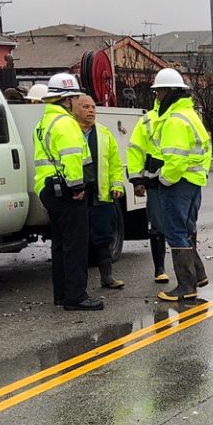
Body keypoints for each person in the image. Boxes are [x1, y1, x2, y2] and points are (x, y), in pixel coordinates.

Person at [128, 68, 212, 303]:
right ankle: (198, 276)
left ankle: (186, 286)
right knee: (185, 230)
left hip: (177, 183)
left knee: (174, 232)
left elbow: (175, 159)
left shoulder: (174, 121)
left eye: (159, 91)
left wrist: (161, 179)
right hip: (193, 181)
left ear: (167, 92)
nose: (157, 96)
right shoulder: (189, 114)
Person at [34, 72, 104, 311]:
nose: (77, 101)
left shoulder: (45, 122)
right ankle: (76, 296)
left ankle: (62, 294)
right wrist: (78, 188)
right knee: (76, 244)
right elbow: (72, 158)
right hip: (67, 191)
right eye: (75, 97)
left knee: (61, 244)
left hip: (48, 189)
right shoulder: (66, 123)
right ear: (67, 99)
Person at [71, 95, 127, 289]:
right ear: (76, 109)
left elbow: (114, 163)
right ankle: (79, 283)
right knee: (78, 239)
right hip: (76, 194)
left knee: (104, 237)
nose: (91, 110)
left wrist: (117, 185)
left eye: (93, 107)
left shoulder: (104, 133)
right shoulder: (69, 132)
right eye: (86, 107)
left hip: (101, 195)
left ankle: (107, 276)